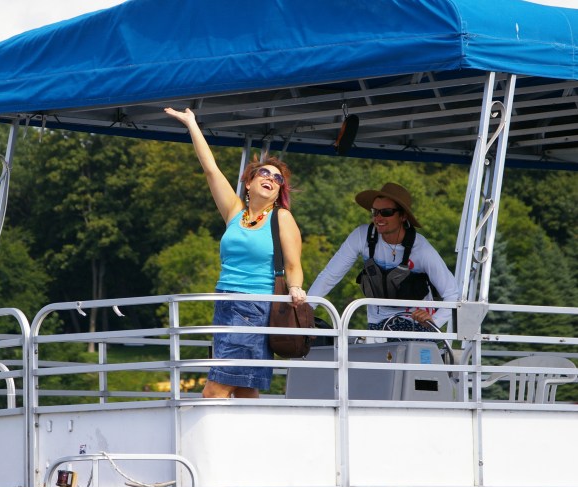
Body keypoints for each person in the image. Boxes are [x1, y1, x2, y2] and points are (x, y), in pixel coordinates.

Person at [164, 107, 307, 398]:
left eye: (277, 179)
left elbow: (293, 264)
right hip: (225, 303)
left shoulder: (281, 218)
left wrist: (295, 288)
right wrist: (192, 124)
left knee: (214, 391)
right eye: (264, 173)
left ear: (279, 192)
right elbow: (210, 169)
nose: (271, 178)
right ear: (249, 182)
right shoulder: (235, 212)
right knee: (244, 390)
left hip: (254, 306)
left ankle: (195, 443)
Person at [307, 182, 458, 335]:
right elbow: (330, 275)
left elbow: (452, 293)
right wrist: (306, 308)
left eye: (386, 212)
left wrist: (435, 320)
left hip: (416, 325)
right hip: (377, 324)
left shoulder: (421, 249)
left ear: (403, 216)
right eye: (375, 212)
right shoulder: (361, 236)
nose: (378, 217)